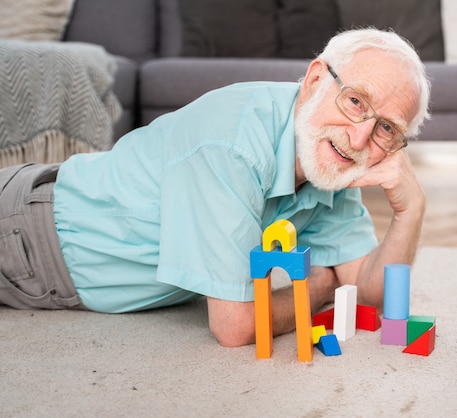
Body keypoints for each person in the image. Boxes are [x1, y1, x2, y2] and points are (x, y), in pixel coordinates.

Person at [0, 28, 430, 347]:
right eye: (356, 101)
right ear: (316, 78)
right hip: (30, 234)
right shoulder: (233, 145)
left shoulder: (331, 160)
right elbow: (236, 327)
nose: (359, 138)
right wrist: (319, 287)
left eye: (386, 129)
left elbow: (370, 294)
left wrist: (411, 210)